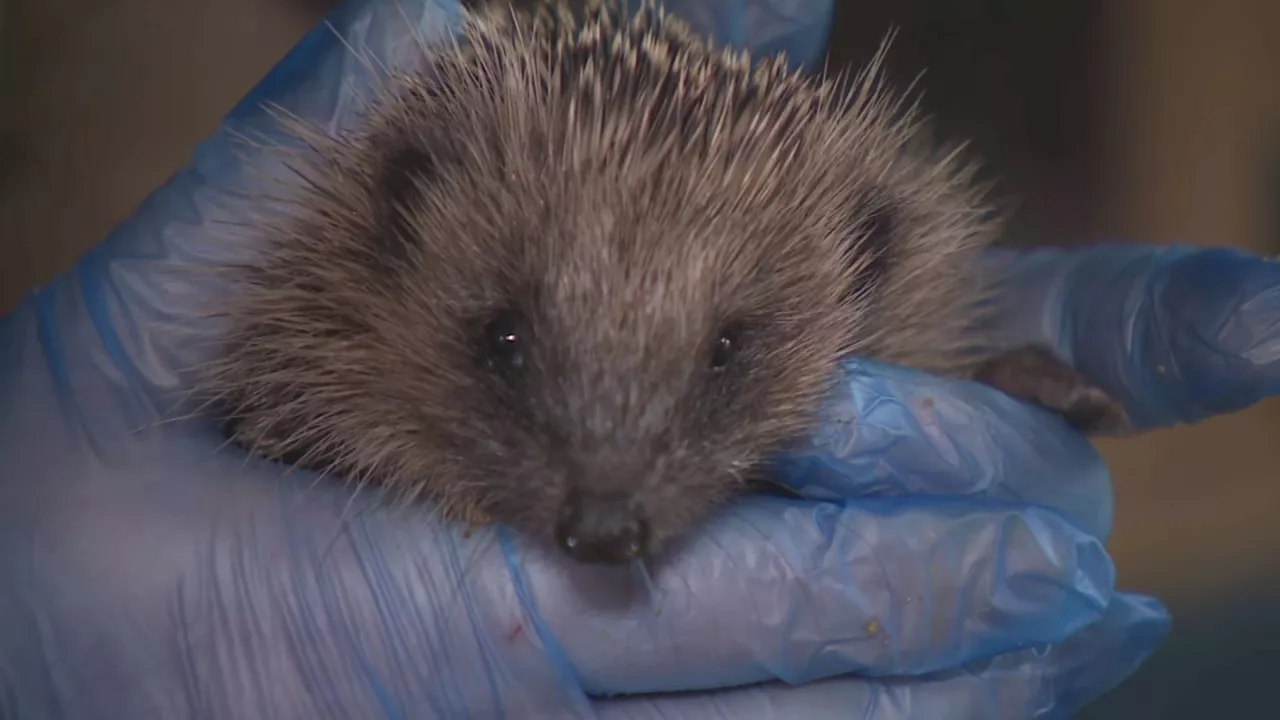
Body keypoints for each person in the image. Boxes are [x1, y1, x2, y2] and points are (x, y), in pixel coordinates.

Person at [1, 0, 1277, 716]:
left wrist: (975, 382)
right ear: (395, 229)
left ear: (866, 268)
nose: (604, 500)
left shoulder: (872, 292)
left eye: (725, 356)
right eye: (507, 346)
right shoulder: (299, 327)